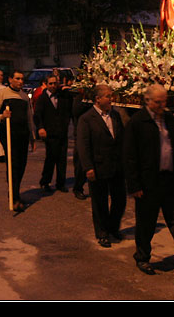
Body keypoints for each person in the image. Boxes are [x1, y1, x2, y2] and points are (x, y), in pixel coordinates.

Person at [123, 84, 174, 276]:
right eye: (158, 102)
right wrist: (134, 185)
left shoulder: (169, 119)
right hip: (148, 181)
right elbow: (129, 156)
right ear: (148, 101)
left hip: (169, 179)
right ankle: (142, 257)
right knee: (146, 222)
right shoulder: (137, 122)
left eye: (164, 101)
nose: (162, 105)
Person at [76, 84, 126, 247]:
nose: (111, 99)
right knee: (100, 202)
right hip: (98, 166)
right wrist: (88, 167)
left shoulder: (115, 116)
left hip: (116, 166)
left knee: (120, 200)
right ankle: (102, 232)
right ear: (97, 99)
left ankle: (113, 227)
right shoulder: (86, 119)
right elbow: (83, 145)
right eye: (108, 96)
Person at [0, 70, 37, 212]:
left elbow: (29, 118)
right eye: (17, 78)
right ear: (10, 79)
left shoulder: (24, 97)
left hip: (22, 135)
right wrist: (2, 116)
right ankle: (14, 196)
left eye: (22, 79)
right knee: (13, 165)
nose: (20, 81)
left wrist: (32, 137)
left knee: (21, 165)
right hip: (9, 135)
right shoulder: (2, 94)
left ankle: (15, 192)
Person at [34, 74, 72, 193]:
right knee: (50, 158)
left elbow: (69, 109)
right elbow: (37, 115)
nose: (53, 86)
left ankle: (61, 183)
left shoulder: (62, 96)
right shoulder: (42, 98)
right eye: (50, 83)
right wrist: (40, 128)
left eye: (55, 83)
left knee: (62, 159)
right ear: (46, 84)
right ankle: (45, 181)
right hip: (49, 134)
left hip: (62, 132)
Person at [72, 89, 90, 200]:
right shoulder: (79, 99)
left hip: (92, 134)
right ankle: (78, 187)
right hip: (81, 135)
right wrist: (87, 102)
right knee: (80, 164)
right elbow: (75, 111)